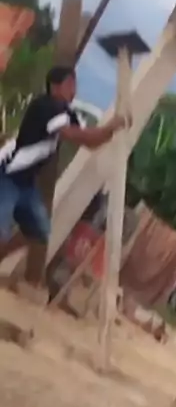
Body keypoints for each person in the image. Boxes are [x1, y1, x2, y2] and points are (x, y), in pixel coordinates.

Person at [0, 65, 128, 262]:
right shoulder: (47, 106)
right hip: (8, 173)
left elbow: (90, 141)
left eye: (74, 85)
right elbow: (78, 136)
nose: (73, 90)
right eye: (69, 84)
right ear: (55, 86)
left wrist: (112, 129)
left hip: (25, 181)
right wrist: (111, 126)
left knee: (39, 230)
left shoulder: (67, 113)